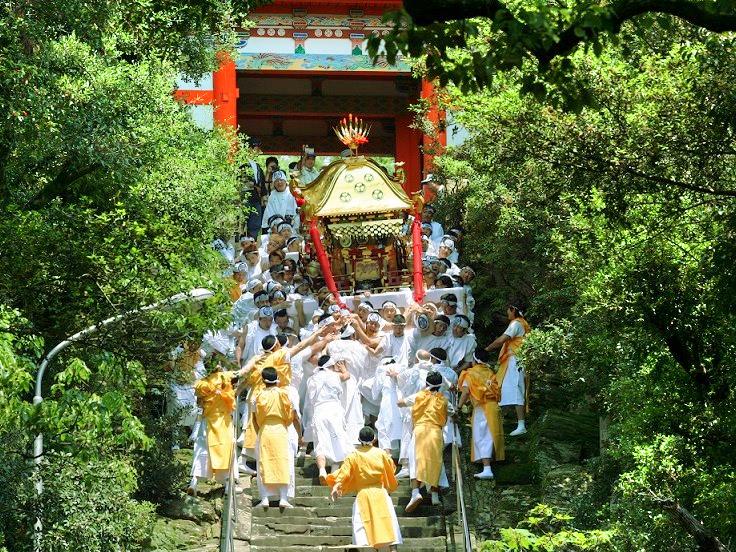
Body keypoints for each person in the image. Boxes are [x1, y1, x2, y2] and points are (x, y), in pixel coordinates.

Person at [327, 427, 402, 552]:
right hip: (380, 493)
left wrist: (336, 485)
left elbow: (344, 472)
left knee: (365, 528)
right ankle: (392, 549)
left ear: (358, 440)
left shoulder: (354, 456)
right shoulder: (381, 453)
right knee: (389, 524)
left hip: (363, 495)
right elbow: (391, 469)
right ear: (374, 439)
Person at [398, 371, 449, 511]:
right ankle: (434, 496)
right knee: (436, 462)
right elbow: (452, 411)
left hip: (420, 431)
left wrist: (402, 391)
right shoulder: (443, 400)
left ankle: (415, 493)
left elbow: (400, 403)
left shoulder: (418, 396)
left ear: (426, 383)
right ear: (440, 385)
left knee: (416, 461)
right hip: (436, 433)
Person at [457, 348, 505, 479]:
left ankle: (487, 468)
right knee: (491, 435)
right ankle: (487, 466)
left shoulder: (470, 374)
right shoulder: (490, 372)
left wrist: (459, 406)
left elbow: (466, 392)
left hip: (482, 408)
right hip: (494, 407)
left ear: (474, 360)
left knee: (482, 437)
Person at [254, 367, 297, 509]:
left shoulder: (258, 395)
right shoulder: (284, 394)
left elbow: (255, 418)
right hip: (281, 430)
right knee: (284, 462)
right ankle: (283, 498)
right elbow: (290, 415)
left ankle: (265, 498)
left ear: (263, 379)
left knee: (264, 462)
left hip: (265, 430)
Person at [485, 303, 531, 436]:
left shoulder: (516, 324)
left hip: (516, 361)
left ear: (513, 310)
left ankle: (521, 425)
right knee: (506, 388)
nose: (507, 312)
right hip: (514, 360)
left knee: (516, 390)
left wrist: (487, 349)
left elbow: (502, 339)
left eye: (508, 310)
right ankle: (503, 421)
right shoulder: (522, 323)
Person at [307, 354, 355, 483]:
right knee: (337, 439)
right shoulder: (334, 376)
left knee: (320, 442)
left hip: (319, 411)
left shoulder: (312, 379)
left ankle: (322, 470)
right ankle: (334, 471)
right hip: (334, 410)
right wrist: (343, 368)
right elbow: (347, 376)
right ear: (330, 366)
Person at [243, 140, 266, 239]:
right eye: (256, 148)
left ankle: (253, 242)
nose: (258, 151)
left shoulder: (257, 166)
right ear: (249, 149)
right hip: (245, 197)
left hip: (256, 197)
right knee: (242, 223)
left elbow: (262, 183)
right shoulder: (241, 163)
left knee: (255, 223)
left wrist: (264, 195)